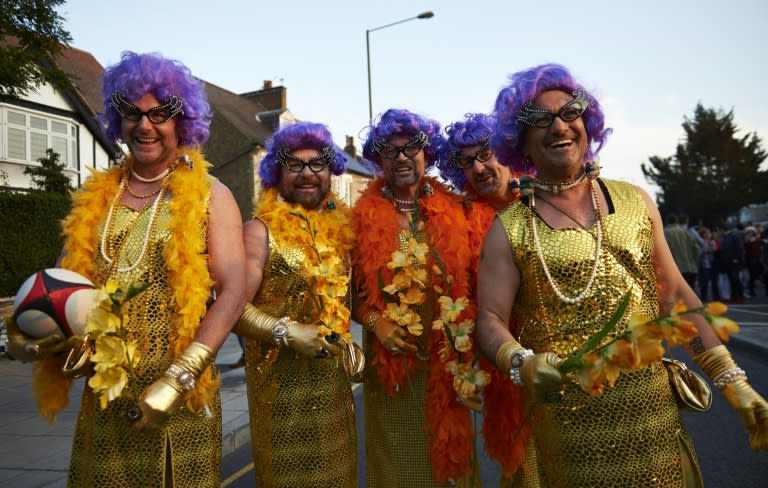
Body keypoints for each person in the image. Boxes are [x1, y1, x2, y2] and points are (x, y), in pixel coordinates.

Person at [476, 63, 768, 487]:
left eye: (570, 112)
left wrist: (732, 381)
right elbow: (489, 319)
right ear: (519, 140)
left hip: (653, 415)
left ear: (586, 122)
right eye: (539, 119)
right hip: (570, 427)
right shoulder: (510, 227)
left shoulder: (635, 201)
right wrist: (519, 360)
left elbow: (674, 297)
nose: (559, 125)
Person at [10, 51, 247, 487]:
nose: (145, 125)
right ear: (116, 121)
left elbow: (234, 289)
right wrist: (36, 338)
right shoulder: (95, 201)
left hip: (180, 398)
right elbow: (71, 294)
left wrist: (179, 377)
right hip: (105, 398)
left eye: (160, 113)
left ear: (183, 122)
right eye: (131, 114)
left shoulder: (213, 195)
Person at [353, 108, 481, 487]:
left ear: (429, 153)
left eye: (412, 148)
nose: (402, 158)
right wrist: (378, 323)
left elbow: (478, 283)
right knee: (399, 472)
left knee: (452, 466)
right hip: (394, 370)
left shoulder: (459, 209)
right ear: (378, 159)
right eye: (389, 151)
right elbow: (351, 298)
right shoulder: (359, 218)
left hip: (447, 363)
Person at [232, 122, 358, 487]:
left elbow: (350, 303)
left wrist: (353, 345)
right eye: (294, 163)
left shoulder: (341, 232)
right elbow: (231, 307)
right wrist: (286, 332)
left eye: (317, 163)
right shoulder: (259, 231)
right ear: (277, 170)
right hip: (280, 406)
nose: (307, 173)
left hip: (335, 403)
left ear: (330, 170)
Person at [437, 113, 527, 478]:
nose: (479, 167)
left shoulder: (547, 199)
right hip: (506, 364)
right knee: (522, 469)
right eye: (465, 161)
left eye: (486, 153)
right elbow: (458, 299)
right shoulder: (457, 220)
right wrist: (464, 366)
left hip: (564, 349)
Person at [664, 213, 700, 291]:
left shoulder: (664, 233)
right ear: (677, 222)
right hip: (690, 267)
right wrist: (695, 264)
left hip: (674, 268)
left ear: (667, 222)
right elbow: (696, 249)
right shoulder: (687, 233)